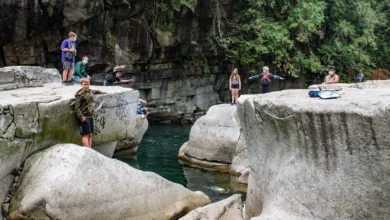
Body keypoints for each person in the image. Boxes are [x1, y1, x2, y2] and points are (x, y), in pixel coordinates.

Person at [74, 78, 107, 148]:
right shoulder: (79, 95)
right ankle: (87, 150)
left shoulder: (90, 91)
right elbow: (76, 108)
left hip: (90, 116)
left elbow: (96, 91)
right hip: (84, 117)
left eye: (88, 84)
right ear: (81, 85)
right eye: (85, 84)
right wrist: (81, 116)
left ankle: (90, 149)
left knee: (90, 134)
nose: (86, 86)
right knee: (85, 135)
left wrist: (102, 92)